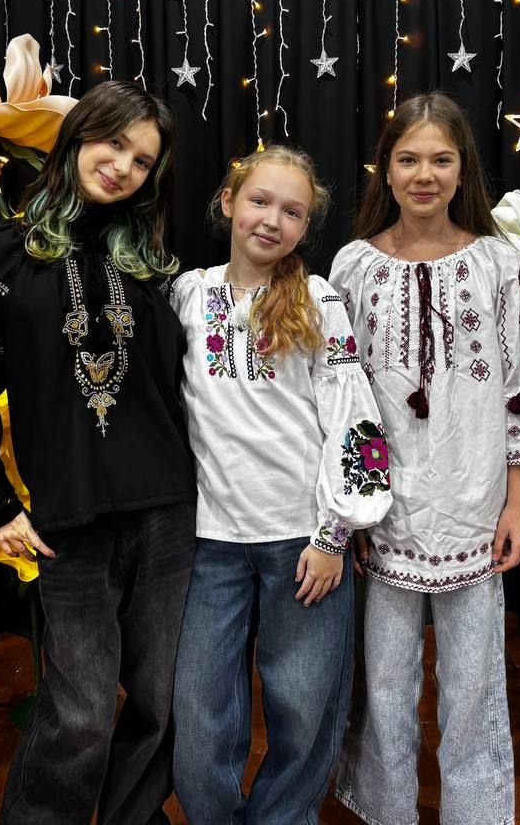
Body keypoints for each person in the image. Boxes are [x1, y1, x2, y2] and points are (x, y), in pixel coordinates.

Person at [0, 80, 196, 825]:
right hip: (68, 519)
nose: (122, 167)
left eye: (142, 161)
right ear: (78, 136)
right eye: (113, 143)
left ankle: (133, 817)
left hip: (168, 510)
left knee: (161, 698)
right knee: (79, 710)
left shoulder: (153, 265)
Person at [330, 92, 520, 823]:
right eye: (408, 159)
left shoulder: (496, 262)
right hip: (384, 512)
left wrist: (517, 502)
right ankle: (387, 809)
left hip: (474, 506)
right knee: (385, 684)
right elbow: (338, 396)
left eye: (440, 159)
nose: (424, 174)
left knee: (474, 685)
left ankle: (476, 813)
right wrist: (349, 511)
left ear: (463, 171)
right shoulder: (353, 266)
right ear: (386, 169)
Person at [169, 145, 392, 822]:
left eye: (292, 212)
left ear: (305, 226)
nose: (272, 220)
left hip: (302, 543)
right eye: (260, 201)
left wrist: (335, 534)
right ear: (228, 203)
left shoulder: (319, 301)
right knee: (200, 715)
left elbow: (354, 420)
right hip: (209, 543)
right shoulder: (187, 295)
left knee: (303, 708)